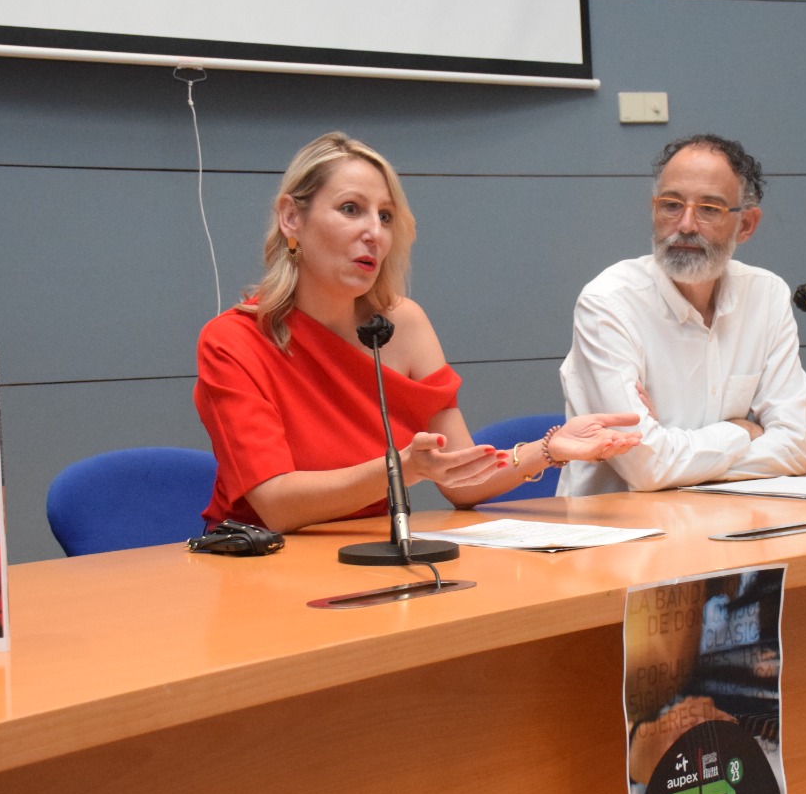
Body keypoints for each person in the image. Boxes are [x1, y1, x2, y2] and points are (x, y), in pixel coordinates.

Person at [195, 132, 639, 533]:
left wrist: (552, 448)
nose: (374, 233)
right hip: (260, 561)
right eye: (351, 209)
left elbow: (462, 481)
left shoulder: (401, 325)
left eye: (385, 216)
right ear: (292, 217)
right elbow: (277, 506)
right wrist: (403, 467)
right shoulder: (233, 340)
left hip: (368, 554)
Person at [558, 134, 806, 495]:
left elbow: (796, 448)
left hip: (731, 522)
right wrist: (743, 431)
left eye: (709, 209)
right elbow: (645, 467)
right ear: (653, 209)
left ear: (746, 225)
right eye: (671, 205)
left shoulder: (766, 295)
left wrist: (673, 455)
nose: (686, 225)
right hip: (620, 534)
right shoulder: (609, 303)